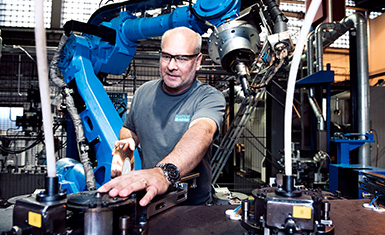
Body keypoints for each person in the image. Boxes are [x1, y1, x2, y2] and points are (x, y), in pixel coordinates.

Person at [98, 26, 226, 206]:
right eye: (166, 56)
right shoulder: (143, 92)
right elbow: (129, 128)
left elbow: (202, 131)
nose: (171, 66)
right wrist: (129, 141)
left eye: (182, 58)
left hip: (193, 206)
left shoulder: (209, 97)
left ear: (198, 61)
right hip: (151, 201)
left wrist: (163, 173)